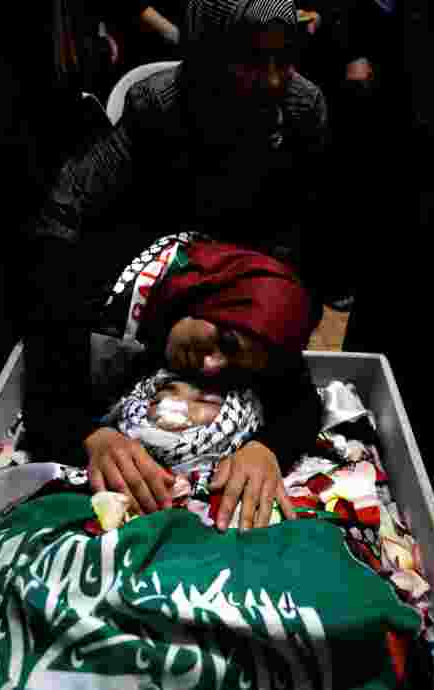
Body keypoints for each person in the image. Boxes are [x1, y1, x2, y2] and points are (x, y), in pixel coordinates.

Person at [20, 0, 332, 529]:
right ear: (210, 56)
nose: (275, 80)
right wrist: (87, 433)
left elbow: (304, 245)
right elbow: (63, 224)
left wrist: (268, 446)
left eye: (285, 60)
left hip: (246, 277)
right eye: (252, 61)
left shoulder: (302, 109)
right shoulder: (158, 106)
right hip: (159, 266)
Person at [25, 236, 323, 533]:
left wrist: (267, 449)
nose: (210, 367)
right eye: (225, 341)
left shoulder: (259, 329)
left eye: (235, 369)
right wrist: (92, 438)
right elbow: (45, 392)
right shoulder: (83, 297)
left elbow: (301, 403)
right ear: (207, 298)